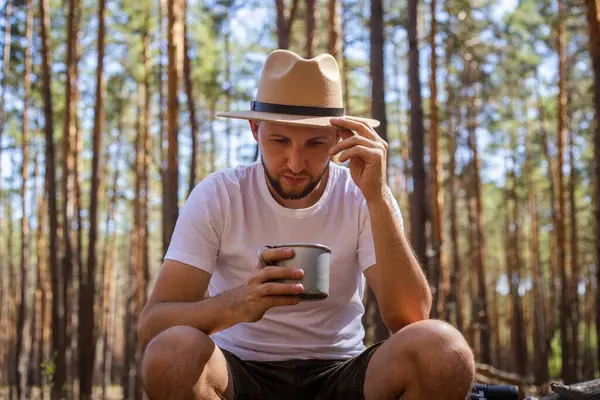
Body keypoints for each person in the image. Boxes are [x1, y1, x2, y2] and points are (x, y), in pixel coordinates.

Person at [138, 49, 475, 400]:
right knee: (171, 353)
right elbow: (153, 328)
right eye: (280, 141)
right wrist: (237, 304)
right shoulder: (219, 194)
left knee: (443, 349)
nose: (296, 164)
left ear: (340, 138)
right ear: (255, 129)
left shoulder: (364, 194)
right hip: (237, 373)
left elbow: (411, 318)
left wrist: (377, 199)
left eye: (315, 143)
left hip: (340, 373)